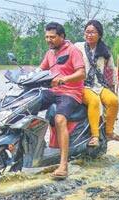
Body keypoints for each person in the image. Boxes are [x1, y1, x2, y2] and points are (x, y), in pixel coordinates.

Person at [39, 22, 86, 180]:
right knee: (27, 105)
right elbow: (41, 70)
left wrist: (63, 79)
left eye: (52, 37)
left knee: (60, 119)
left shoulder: (73, 51)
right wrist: (26, 75)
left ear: (62, 37)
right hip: (53, 91)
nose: (49, 40)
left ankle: (63, 165)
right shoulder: (50, 53)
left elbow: (81, 73)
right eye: (46, 37)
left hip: (70, 92)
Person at [75, 20, 119, 147]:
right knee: (94, 101)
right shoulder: (77, 47)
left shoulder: (105, 50)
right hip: (82, 85)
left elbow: (111, 70)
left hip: (99, 84)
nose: (89, 35)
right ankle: (95, 136)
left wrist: (113, 88)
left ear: (99, 34)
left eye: (93, 32)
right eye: (87, 32)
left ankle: (109, 132)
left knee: (113, 101)